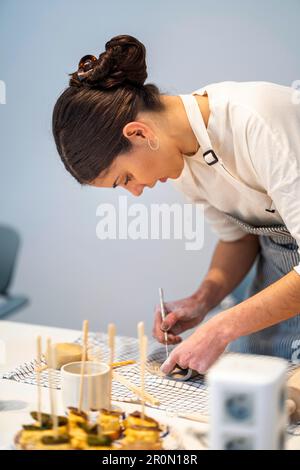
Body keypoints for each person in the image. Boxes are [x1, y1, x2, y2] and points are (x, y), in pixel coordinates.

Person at [52, 34, 300, 374]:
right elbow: (239, 240)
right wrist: (202, 302)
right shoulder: (179, 161)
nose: (135, 192)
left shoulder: (256, 122)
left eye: (124, 178)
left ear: (139, 133)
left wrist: (224, 326)